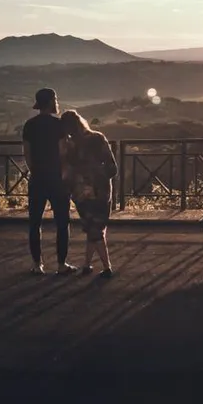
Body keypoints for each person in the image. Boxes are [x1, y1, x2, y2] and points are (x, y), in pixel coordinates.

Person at [22, 88, 77, 275]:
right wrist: (64, 174)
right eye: (55, 99)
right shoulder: (59, 125)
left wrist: (35, 172)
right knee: (62, 222)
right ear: (51, 102)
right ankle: (62, 265)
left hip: (38, 178)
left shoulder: (29, 125)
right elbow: (63, 153)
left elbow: (27, 154)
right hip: (57, 179)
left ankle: (38, 265)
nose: (57, 102)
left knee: (35, 223)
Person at [59, 109, 118, 278]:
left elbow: (67, 171)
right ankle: (106, 267)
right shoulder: (98, 138)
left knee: (93, 228)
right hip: (101, 191)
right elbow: (112, 167)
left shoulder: (70, 146)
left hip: (80, 193)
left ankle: (88, 265)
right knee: (98, 228)